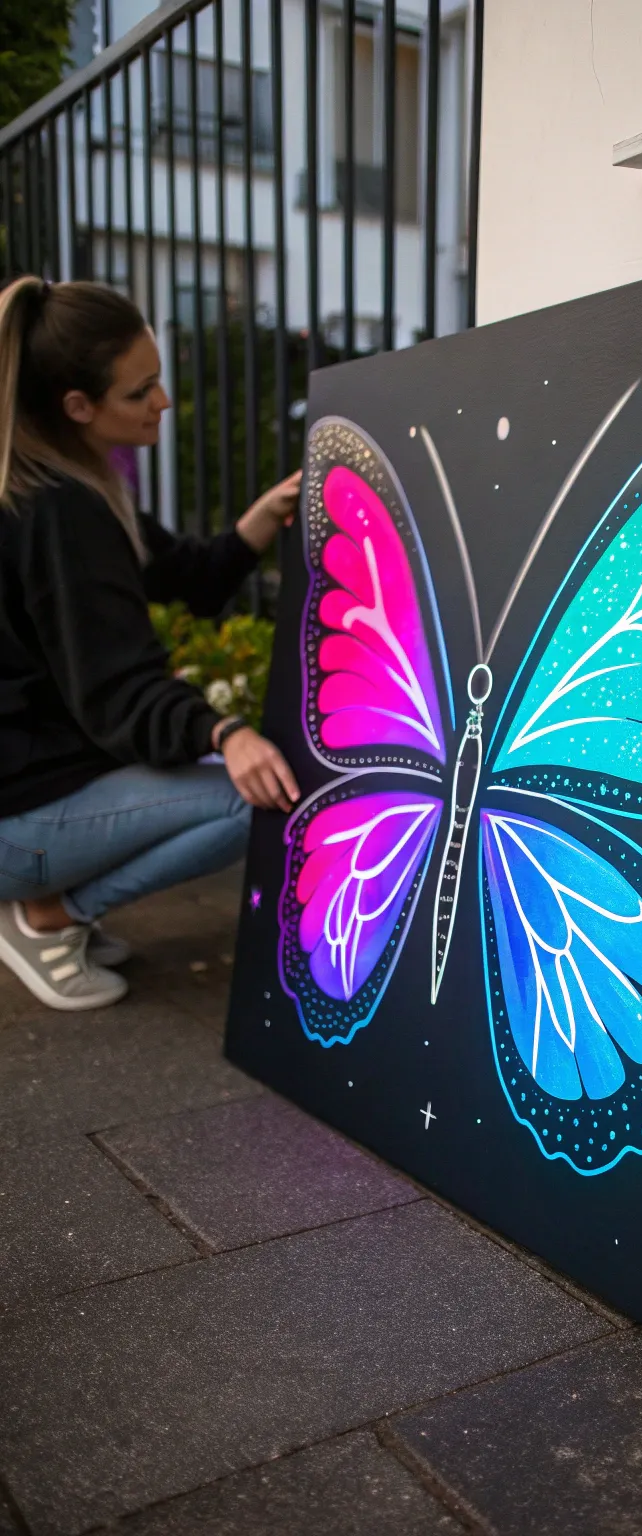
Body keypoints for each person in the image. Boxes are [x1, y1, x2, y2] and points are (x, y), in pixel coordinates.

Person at [0, 275, 302, 1010]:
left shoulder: (60, 481)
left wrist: (260, 519)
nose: (162, 401)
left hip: (26, 789)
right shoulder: (60, 512)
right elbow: (115, 690)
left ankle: (52, 895)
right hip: (18, 816)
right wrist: (225, 732)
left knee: (227, 777)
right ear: (79, 406)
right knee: (252, 800)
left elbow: (179, 576)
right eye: (141, 391)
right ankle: (49, 915)